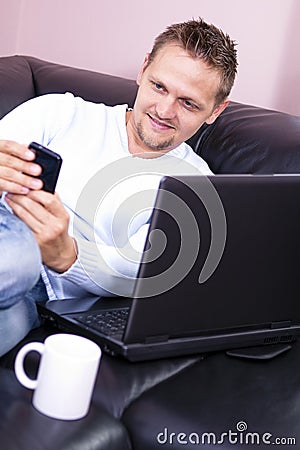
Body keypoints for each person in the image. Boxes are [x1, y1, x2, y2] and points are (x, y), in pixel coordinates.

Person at [0, 18, 238, 356]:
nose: (164, 110)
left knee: (10, 321)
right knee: (19, 256)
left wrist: (68, 253)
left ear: (216, 110)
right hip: (7, 234)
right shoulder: (61, 111)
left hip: (42, 300)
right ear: (143, 70)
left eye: (188, 103)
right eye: (159, 87)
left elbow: (138, 273)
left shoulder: (198, 189)